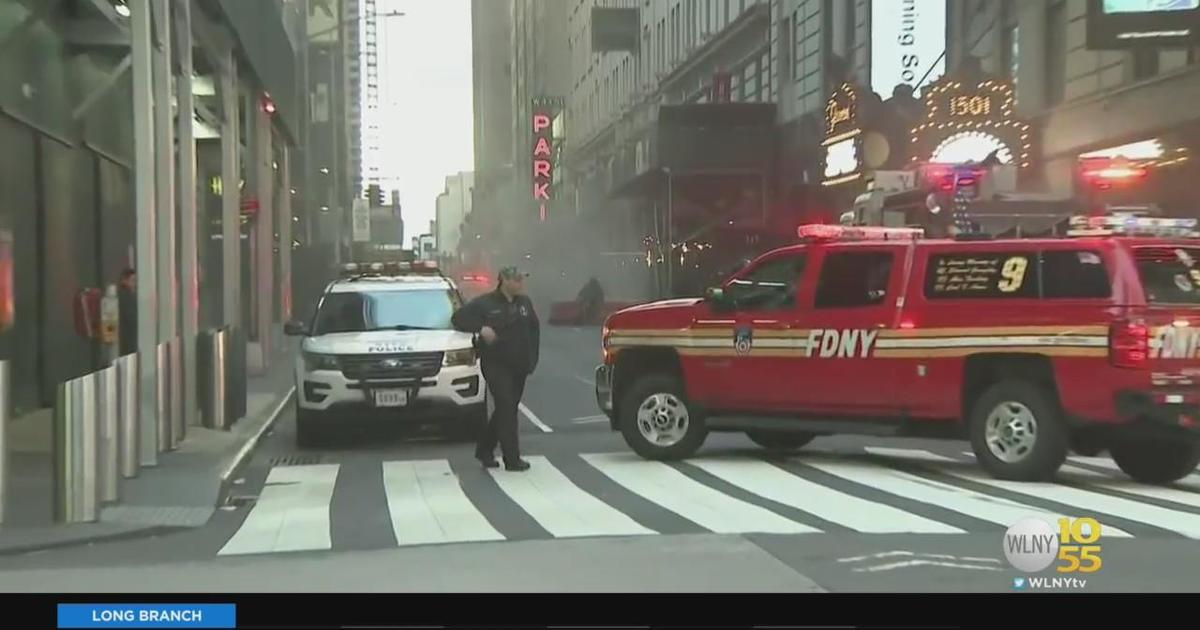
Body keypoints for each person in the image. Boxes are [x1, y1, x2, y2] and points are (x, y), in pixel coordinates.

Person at [451, 266, 540, 471]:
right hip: (496, 364)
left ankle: (484, 449)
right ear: (504, 281)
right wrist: (481, 328)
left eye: (521, 280)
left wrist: (532, 359)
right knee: (507, 406)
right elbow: (458, 319)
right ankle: (512, 459)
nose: (520, 284)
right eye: (516, 280)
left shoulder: (524, 303)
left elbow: (534, 330)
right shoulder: (485, 303)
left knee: (504, 409)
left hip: (519, 365)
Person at [117, 268, 137, 356]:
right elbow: (132, 318)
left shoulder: (121, 296)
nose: (135, 284)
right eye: (133, 280)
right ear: (124, 281)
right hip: (128, 343)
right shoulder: (126, 297)